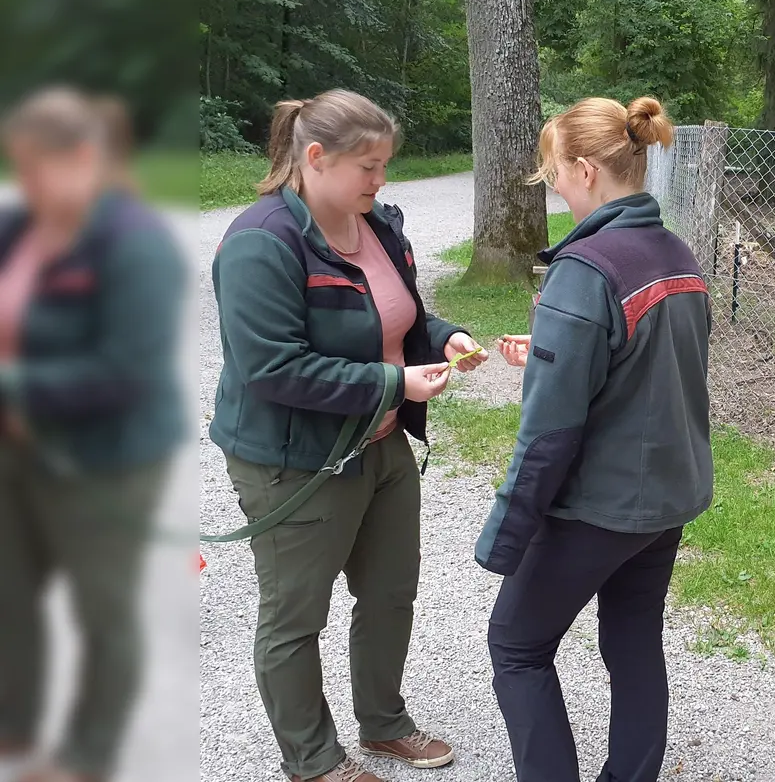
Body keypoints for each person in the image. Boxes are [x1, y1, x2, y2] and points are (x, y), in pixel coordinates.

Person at [209, 90, 486, 782]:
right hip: (295, 460)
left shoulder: (380, 227)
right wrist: (395, 385)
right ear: (313, 158)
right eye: (368, 165)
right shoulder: (261, 242)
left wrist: (444, 335)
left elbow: (402, 315)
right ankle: (314, 760)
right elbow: (273, 367)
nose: (380, 179)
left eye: (385, 164)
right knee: (295, 618)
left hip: (380, 443)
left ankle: (385, 726)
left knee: (391, 592)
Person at [477, 96, 712, 782]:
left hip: (599, 507)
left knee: (516, 646)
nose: (554, 190)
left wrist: (505, 532)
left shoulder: (586, 267)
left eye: (554, 175)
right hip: (667, 497)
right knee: (634, 641)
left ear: (584, 170)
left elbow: (549, 433)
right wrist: (550, 349)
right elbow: (649, 367)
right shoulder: (676, 252)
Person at [0, 87, 186, 782]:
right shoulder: (20, 228)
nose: (24, 184)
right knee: (9, 592)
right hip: (18, 450)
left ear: (83, 158)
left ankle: (88, 753)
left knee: (103, 610)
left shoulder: (135, 243)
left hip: (108, 459)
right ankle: (14, 726)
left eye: (35, 167)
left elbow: (125, 371)